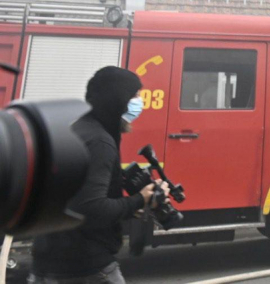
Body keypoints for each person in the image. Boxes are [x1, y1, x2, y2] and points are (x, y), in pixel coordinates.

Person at [30, 66, 168, 284]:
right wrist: (141, 198)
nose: (138, 102)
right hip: (85, 266)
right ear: (117, 99)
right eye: (134, 96)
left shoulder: (78, 129)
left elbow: (75, 199)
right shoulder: (99, 142)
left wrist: (129, 207)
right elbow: (91, 208)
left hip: (49, 260)